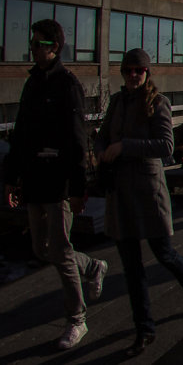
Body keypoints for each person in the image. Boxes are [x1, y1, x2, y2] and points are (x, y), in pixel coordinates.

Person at [3, 19, 108, 350]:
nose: (32, 49)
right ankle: (93, 266)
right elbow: (20, 136)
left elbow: (78, 141)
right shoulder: (33, 83)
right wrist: (12, 179)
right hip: (34, 180)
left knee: (60, 251)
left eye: (38, 44)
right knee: (41, 248)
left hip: (58, 182)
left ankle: (77, 319)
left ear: (54, 48)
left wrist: (78, 189)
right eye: (31, 44)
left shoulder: (67, 84)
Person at [95, 49, 183, 357]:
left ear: (146, 73)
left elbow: (166, 145)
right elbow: (102, 136)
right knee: (131, 267)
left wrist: (123, 147)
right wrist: (101, 149)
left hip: (147, 190)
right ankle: (145, 328)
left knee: (164, 253)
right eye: (128, 70)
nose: (132, 76)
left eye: (138, 71)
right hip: (120, 193)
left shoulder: (157, 103)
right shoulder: (116, 103)